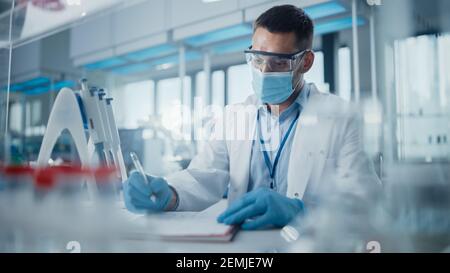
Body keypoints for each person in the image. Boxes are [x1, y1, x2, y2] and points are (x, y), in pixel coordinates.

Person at [123, 5, 381, 230]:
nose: (264, 71)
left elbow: (365, 201)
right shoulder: (235, 116)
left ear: (306, 62)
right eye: (257, 58)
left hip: (311, 243)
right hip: (243, 249)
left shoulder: (341, 116)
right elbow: (204, 175)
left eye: (279, 62)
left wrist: (302, 211)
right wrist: (169, 193)